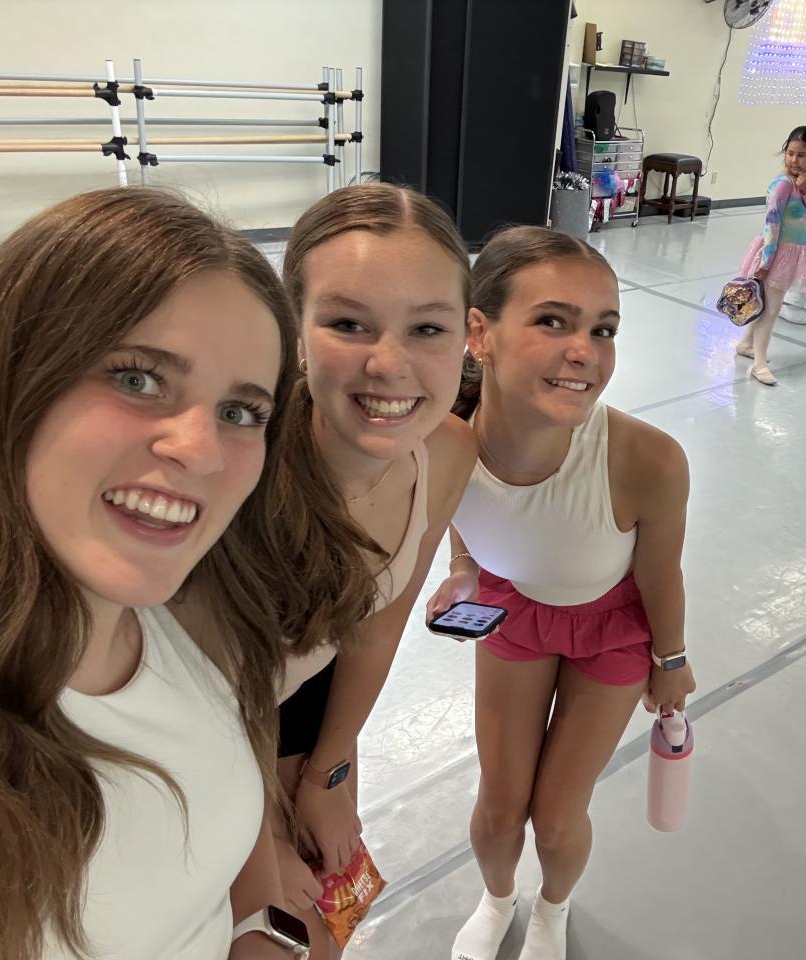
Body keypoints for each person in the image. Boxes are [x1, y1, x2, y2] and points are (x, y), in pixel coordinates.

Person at [0, 188, 313, 960]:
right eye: (138, 378)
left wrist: (268, 934)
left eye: (240, 412)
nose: (202, 450)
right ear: (8, 376)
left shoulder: (196, 619)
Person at [427, 226, 696, 960]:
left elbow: (659, 573)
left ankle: (553, 908)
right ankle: (497, 898)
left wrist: (671, 661)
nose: (586, 351)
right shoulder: (443, 442)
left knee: (556, 815)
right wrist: (463, 569)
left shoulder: (647, 460)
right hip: (513, 612)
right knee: (499, 806)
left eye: (603, 330)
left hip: (612, 629)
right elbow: (465, 512)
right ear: (479, 334)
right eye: (553, 321)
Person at [263, 184, 478, 956]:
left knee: (327, 926)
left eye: (427, 328)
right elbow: (205, 690)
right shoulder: (245, 471)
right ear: (294, 331)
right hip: (194, 741)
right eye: (348, 323)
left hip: (303, 718)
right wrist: (258, 840)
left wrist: (328, 773)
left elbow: (377, 629)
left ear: (467, 335)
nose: (389, 365)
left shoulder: (447, 452)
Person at [734, 124, 806, 385]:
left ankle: (746, 344)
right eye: (790, 153)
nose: (794, 160)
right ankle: (759, 362)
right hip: (776, 252)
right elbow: (771, 224)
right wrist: (766, 261)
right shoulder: (782, 185)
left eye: (802, 155)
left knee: (767, 303)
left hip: (797, 252)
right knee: (772, 308)